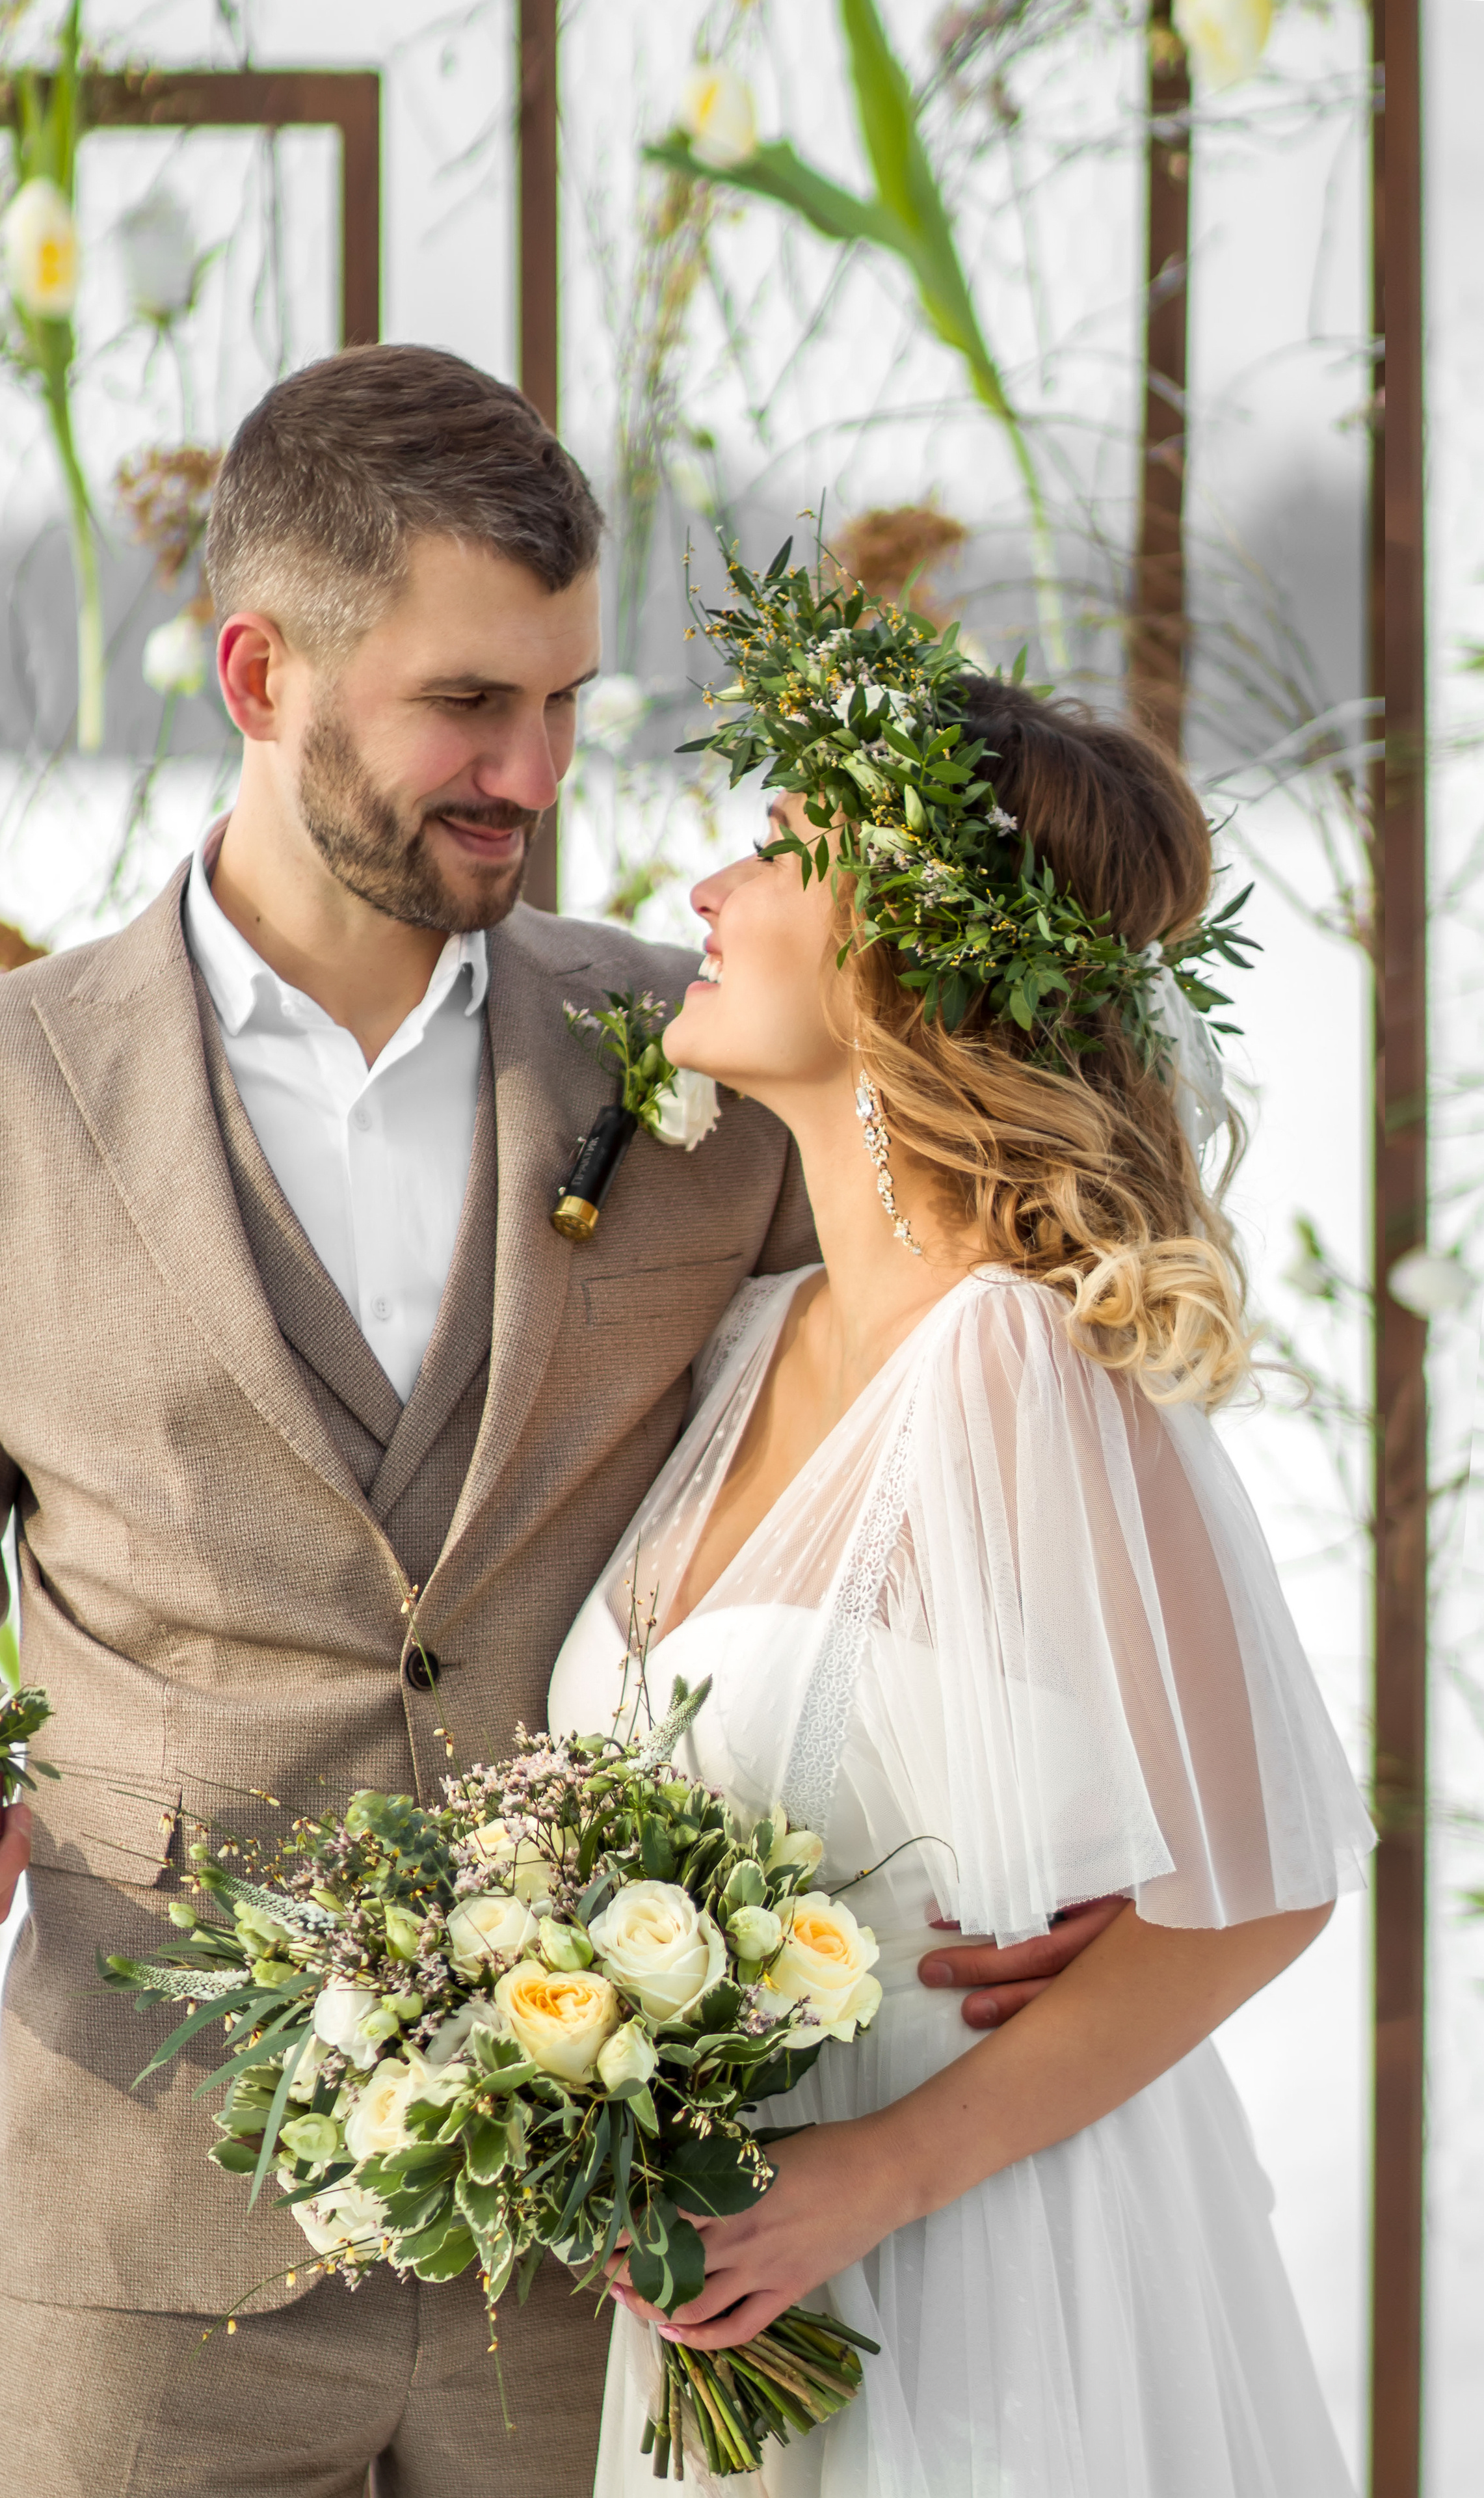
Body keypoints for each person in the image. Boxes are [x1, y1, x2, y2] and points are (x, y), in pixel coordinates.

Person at [0, 347, 1100, 2498]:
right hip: (144, 2250)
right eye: (465, 706)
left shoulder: (713, 1067)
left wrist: (1048, 1816)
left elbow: (931, 1431)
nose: (535, 768)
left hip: (629, 2252)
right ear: (260, 672)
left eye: (570, 702)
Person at [548, 569, 1375, 2497]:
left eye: (774, 852)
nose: (708, 895)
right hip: (744, 2285)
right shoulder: (753, 1340)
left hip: (970, 2277)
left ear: (906, 948)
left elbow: (1264, 1881)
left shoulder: (1012, 1357)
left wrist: (863, 2180)